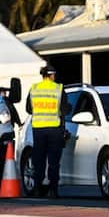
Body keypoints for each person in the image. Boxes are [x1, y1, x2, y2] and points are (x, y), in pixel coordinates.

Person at [25, 64, 70, 198]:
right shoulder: (58, 88)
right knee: (54, 161)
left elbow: (28, 109)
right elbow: (64, 110)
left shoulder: (34, 89)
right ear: (51, 75)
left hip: (38, 129)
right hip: (54, 129)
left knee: (38, 160)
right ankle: (53, 190)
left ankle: (38, 188)